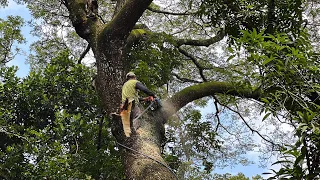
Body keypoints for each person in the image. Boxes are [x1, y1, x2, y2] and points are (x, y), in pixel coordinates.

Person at [120, 72, 156, 137]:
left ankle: (127, 132)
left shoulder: (125, 85)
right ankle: (133, 131)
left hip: (124, 106)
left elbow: (134, 97)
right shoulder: (134, 82)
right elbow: (144, 89)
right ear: (134, 77)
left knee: (129, 120)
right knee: (138, 116)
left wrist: (145, 99)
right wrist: (153, 95)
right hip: (131, 104)